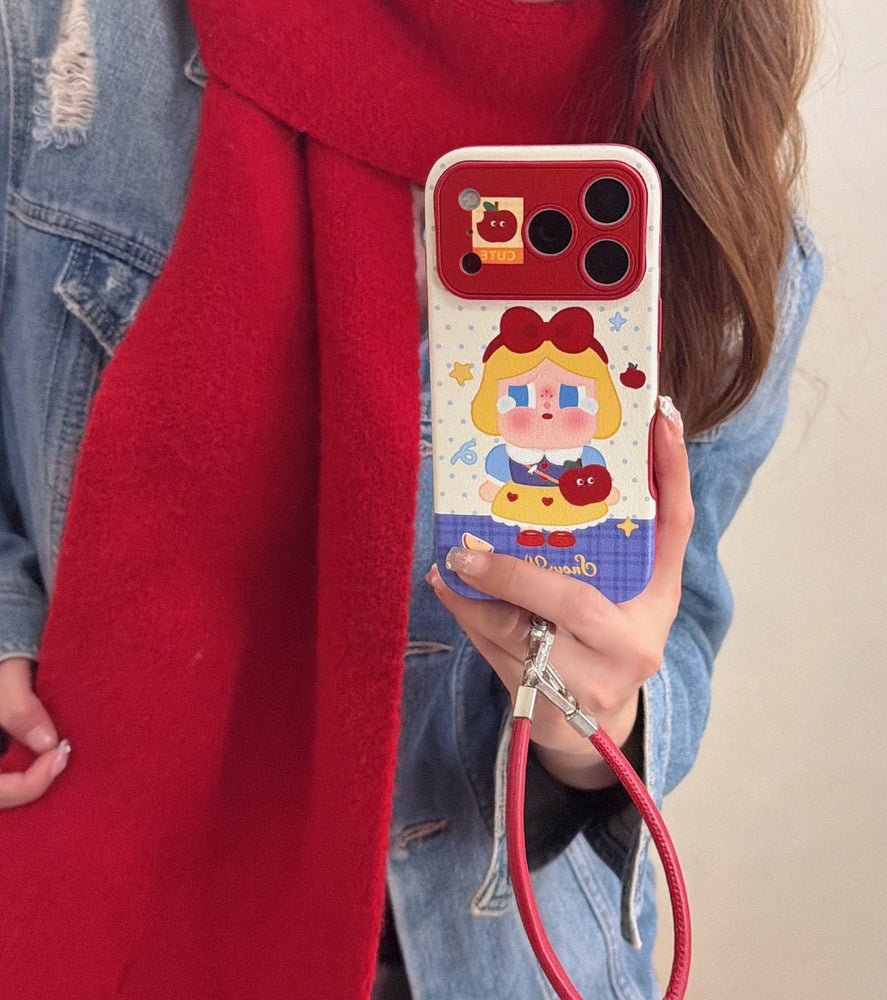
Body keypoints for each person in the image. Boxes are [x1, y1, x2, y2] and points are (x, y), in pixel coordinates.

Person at [0, 0, 822, 997]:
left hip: (497, 950)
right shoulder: (68, 45)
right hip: (105, 908)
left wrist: (598, 719)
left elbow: (680, 625)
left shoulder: (704, 148)